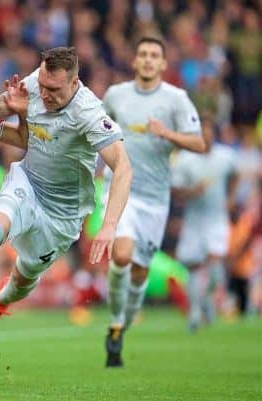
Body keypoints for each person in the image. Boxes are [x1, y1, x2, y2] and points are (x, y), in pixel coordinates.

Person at [0, 46, 133, 354]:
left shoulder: (89, 113)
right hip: (27, 182)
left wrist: (110, 226)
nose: (43, 93)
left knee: (25, 275)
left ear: (74, 84)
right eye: (42, 84)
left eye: (54, 89)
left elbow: (123, 167)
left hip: (63, 213)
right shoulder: (33, 84)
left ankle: (3, 300)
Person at [102, 37, 206, 367]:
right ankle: (116, 321)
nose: (148, 60)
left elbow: (200, 143)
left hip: (155, 199)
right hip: (121, 190)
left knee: (139, 273)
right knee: (121, 254)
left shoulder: (176, 99)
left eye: (154, 56)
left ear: (163, 64)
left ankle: (122, 325)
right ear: (135, 61)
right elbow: (95, 133)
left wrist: (168, 135)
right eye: (143, 54)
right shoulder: (116, 95)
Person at [172, 117, 238, 332]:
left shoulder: (225, 157)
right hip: (194, 220)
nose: (206, 140)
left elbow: (235, 176)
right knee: (192, 265)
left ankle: (207, 299)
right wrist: (193, 192)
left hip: (217, 219)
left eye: (209, 136)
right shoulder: (184, 160)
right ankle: (195, 311)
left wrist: (231, 198)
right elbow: (176, 192)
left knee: (216, 268)